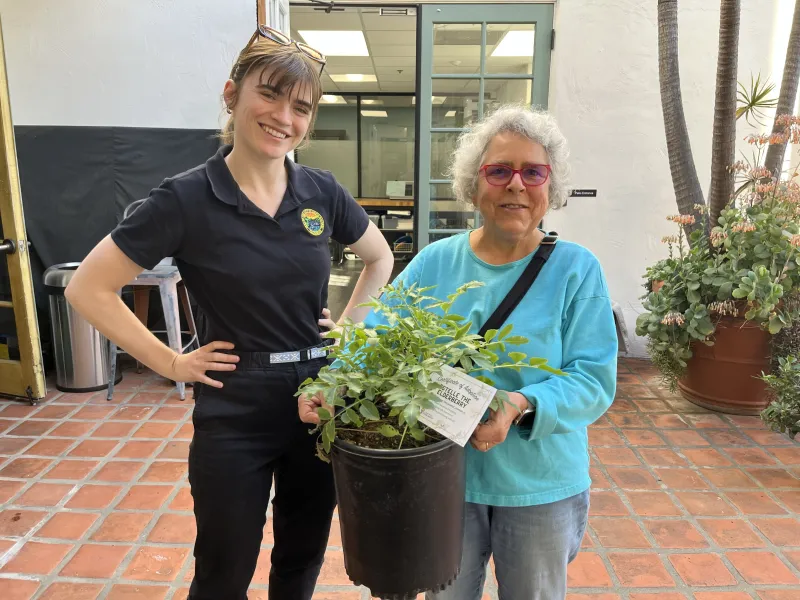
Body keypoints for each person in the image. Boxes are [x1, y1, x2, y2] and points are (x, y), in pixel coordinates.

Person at [65, 26, 394, 600]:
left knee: (302, 554)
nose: (283, 117)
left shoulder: (321, 192)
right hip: (235, 402)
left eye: (301, 107)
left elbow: (379, 257)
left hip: (319, 396)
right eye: (269, 95)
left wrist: (351, 328)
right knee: (224, 563)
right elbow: (88, 287)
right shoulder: (185, 198)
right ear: (232, 94)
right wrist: (170, 361)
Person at [300, 105, 617, 599]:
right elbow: (377, 336)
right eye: (499, 170)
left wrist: (519, 404)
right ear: (474, 185)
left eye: (533, 172)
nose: (516, 184)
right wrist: (332, 384)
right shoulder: (436, 262)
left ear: (549, 188)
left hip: (540, 482)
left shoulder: (577, 270)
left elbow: (593, 379)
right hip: (444, 479)